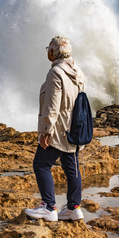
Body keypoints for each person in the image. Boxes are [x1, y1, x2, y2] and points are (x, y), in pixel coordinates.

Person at [25, 36, 86, 222]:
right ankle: (73, 208)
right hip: (75, 127)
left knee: (41, 164)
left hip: (58, 128)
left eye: (47, 49)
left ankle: (49, 208)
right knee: (72, 168)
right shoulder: (78, 71)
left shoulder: (56, 73)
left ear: (52, 52)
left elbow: (52, 106)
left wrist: (45, 132)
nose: (47, 52)